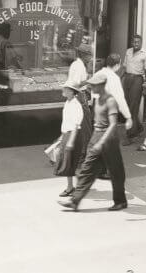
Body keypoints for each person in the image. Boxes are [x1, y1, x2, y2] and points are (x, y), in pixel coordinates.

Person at [59, 71, 128, 212]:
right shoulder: (97, 100)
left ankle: (120, 201)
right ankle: (75, 201)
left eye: (94, 85)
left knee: (116, 172)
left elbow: (113, 124)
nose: (91, 87)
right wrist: (93, 141)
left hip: (109, 139)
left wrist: (101, 143)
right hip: (96, 136)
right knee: (87, 169)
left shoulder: (110, 100)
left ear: (102, 85)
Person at [54, 81, 88, 198]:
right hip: (67, 134)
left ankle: (74, 187)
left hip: (73, 135)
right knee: (67, 162)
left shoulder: (75, 105)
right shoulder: (68, 102)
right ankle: (73, 187)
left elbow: (76, 125)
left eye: (65, 89)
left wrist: (70, 141)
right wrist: (62, 136)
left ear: (71, 91)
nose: (63, 90)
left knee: (71, 163)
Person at [121, 35, 146, 144]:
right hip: (127, 78)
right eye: (134, 42)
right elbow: (124, 67)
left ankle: (130, 135)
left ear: (141, 43)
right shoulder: (128, 51)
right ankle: (138, 127)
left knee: (133, 107)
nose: (136, 44)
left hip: (138, 80)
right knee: (127, 105)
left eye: (138, 42)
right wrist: (119, 78)